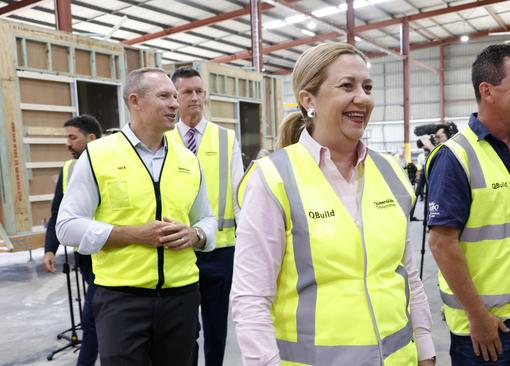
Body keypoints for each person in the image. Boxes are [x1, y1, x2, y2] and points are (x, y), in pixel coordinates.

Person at [231, 42, 436, 366]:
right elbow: (251, 299)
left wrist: (425, 347)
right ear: (308, 99)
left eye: (367, 87)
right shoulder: (273, 179)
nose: (363, 97)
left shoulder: (390, 172)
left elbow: (407, 273)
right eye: (347, 86)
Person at [56, 67, 217, 366]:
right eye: (164, 96)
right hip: (121, 300)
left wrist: (196, 235)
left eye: (174, 97)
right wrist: (131, 234)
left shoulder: (187, 160)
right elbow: (66, 227)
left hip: (180, 298)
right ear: (135, 101)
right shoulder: (99, 155)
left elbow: (207, 219)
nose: (175, 104)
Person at [425, 44, 510, 365]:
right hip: (487, 329)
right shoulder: (455, 157)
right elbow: (442, 244)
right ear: (487, 91)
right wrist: (478, 316)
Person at [167, 66, 244, 366]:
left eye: (200, 91)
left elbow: (239, 195)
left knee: (216, 325)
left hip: (221, 249)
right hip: (179, 249)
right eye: (187, 92)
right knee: (187, 328)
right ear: (174, 97)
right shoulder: (164, 138)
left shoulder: (226, 138)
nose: (195, 97)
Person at [42, 114, 102, 366]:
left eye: (72, 137)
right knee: (94, 317)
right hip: (86, 256)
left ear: (91, 138)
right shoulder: (68, 169)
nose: (68, 143)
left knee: (92, 317)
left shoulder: (113, 163)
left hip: (111, 253)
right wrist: (50, 249)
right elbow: (58, 213)